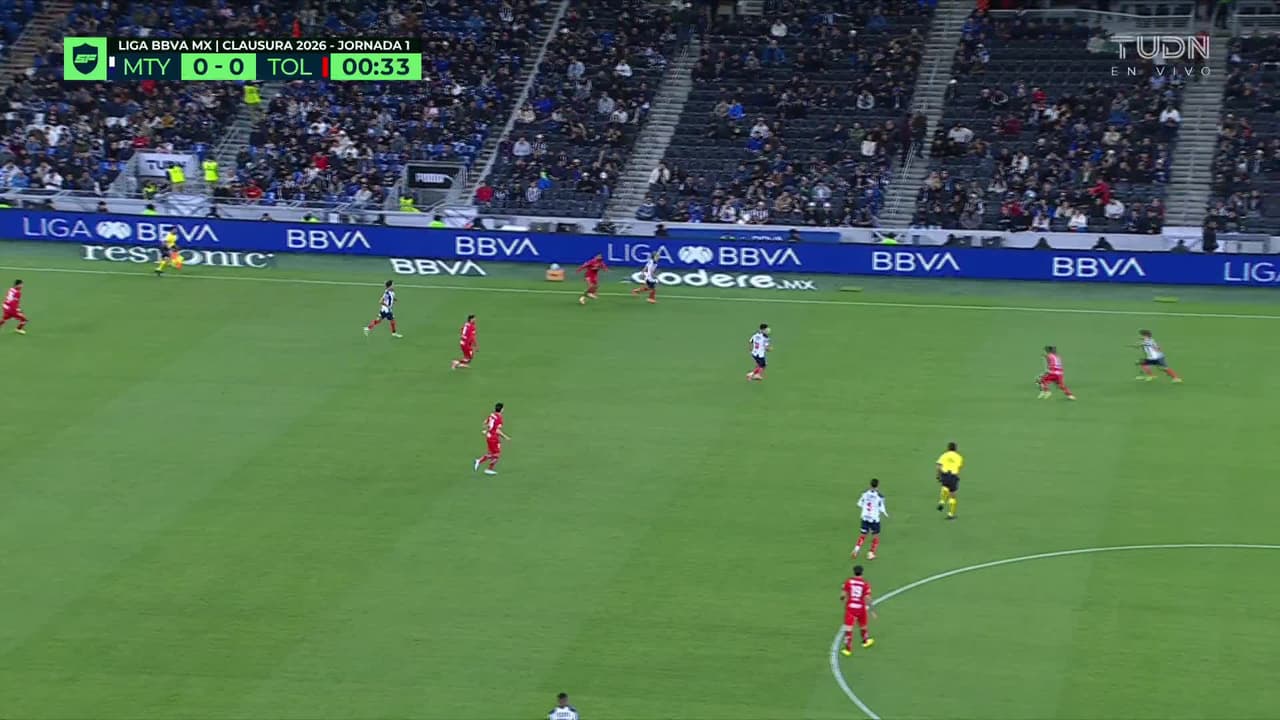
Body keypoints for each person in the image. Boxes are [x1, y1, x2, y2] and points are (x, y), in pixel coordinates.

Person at [839, 565, 875, 656]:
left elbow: (843, 595)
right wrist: (872, 610)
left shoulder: (848, 582)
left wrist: (842, 599)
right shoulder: (865, 584)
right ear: (862, 572)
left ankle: (848, 649)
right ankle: (865, 641)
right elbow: (867, 597)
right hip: (860, 607)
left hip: (850, 607)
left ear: (854, 572)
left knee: (848, 628)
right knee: (863, 625)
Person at [852, 478, 888, 560]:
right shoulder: (880, 496)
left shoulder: (864, 493)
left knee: (863, 535)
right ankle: (871, 553)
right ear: (878, 485)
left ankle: (856, 550)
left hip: (865, 517)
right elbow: (882, 508)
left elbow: (859, 504)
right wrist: (885, 514)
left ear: (870, 484)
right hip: (874, 519)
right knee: (875, 537)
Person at [474, 402, 511, 475]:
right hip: (494, 438)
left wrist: (486, 431)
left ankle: (487, 467)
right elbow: (497, 430)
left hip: (489, 436)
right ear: (501, 409)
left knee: (493, 453)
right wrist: (505, 437)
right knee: (496, 454)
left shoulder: (492, 415)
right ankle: (481, 462)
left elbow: (485, 422)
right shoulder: (499, 419)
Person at [936, 442, 963, 519]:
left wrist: (938, 475)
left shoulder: (944, 455)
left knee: (944, 487)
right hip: (953, 476)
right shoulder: (959, 457)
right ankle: (950, 514)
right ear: (956, 448)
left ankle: (942, 501)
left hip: (945, 474)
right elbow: (958, 468)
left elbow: (938, 466)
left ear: (948, 448)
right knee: (952, 495)